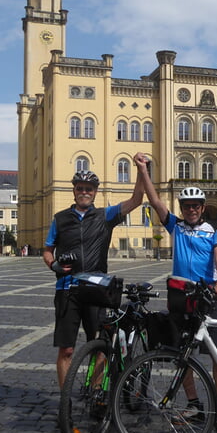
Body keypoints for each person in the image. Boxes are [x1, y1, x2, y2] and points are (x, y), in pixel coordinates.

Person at [133, 152, 217, 433]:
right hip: (180, 298)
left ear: (202, 207)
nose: (190, 210)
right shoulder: (175, 226)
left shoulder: (215, 230)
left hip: (207, 298)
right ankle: (195, 405)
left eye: (195, 206)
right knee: (182, 356)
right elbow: (154, 201)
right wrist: (143, 170)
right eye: (186, 206)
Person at [44, 162, 145, 389]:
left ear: (95, 192)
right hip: (67, 290)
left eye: (89, 189)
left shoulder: (104, 216)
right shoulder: (60, 219)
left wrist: (140, 170)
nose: (84, 192)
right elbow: (47, 250)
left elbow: (136, 200)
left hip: (96, 290)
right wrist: (54, 266)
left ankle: (97, 393)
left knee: (99, 345)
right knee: (66, 349)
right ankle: (65, 402)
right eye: (80, 188)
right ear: (74, 191)